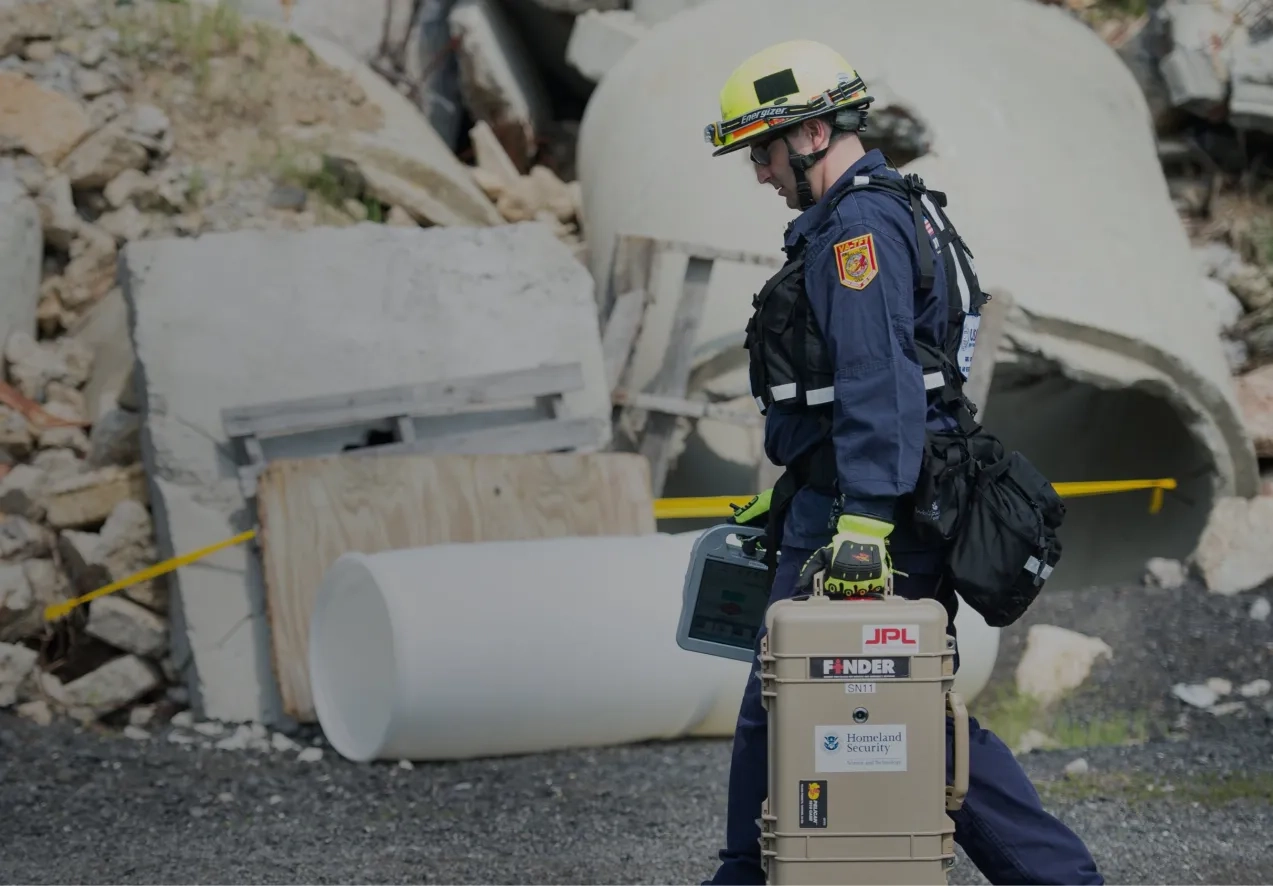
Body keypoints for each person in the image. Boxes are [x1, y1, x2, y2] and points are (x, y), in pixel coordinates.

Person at [699, 39, 1105, 886]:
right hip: (849, 500)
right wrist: (790, 499)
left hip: (870, 515)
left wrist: (861, 524)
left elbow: (878, 379)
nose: (759, 171)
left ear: (810, 135)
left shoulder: (858, 229)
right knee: (853, 706)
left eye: (763, 149)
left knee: (886, 711)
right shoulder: (891, 209)